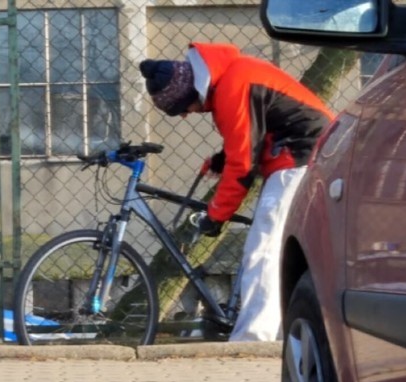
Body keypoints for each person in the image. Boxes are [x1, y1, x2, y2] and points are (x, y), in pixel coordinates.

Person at [139, 43, 333, 341]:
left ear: (191, 91)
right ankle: (285, 331)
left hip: (299, 158)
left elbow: (242, 164)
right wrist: (222, 158)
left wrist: (216, 216)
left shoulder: (232, 87)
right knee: (285, 249)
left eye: (182, 108)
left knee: (264, 249)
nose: (186, 115)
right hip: (306, 153)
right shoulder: (233, 75)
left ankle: (255, 339)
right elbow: (252, 134)